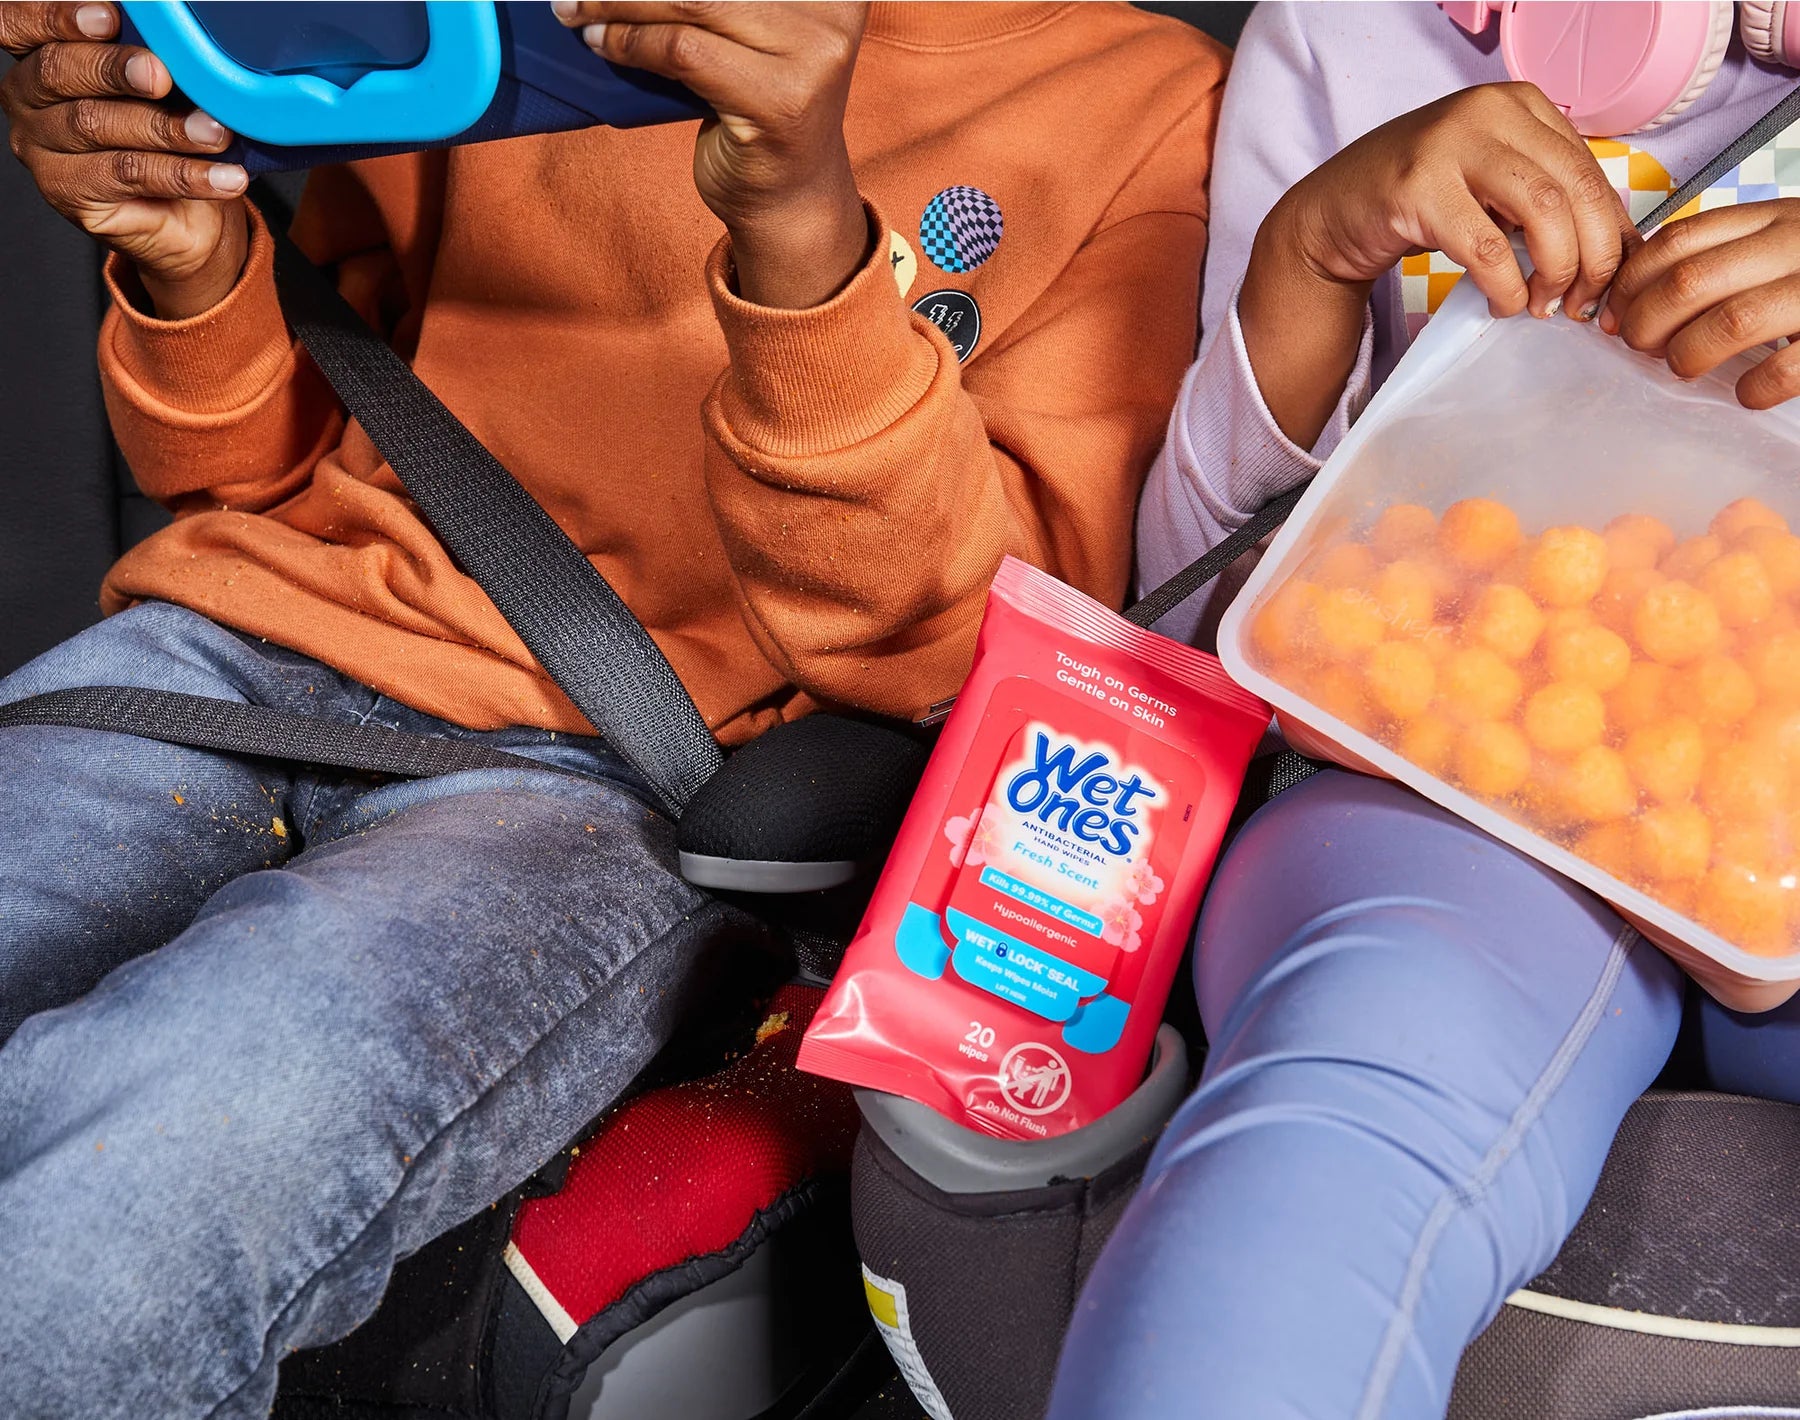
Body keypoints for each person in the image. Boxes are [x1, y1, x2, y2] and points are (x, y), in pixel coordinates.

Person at [0, 2, 1227, 1414]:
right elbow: (259, 470)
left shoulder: (1141, 101)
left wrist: (803, 236)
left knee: (150, 1172)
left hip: (602, 774)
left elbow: (958, 660)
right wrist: (189, 264)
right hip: (225, 649)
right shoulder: (516, 28)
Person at [1051, 4, 1800, 1417]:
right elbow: (1198, 611)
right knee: (1363, 1092)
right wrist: (1308, 255)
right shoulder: (1343, 40)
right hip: (1461, 785)